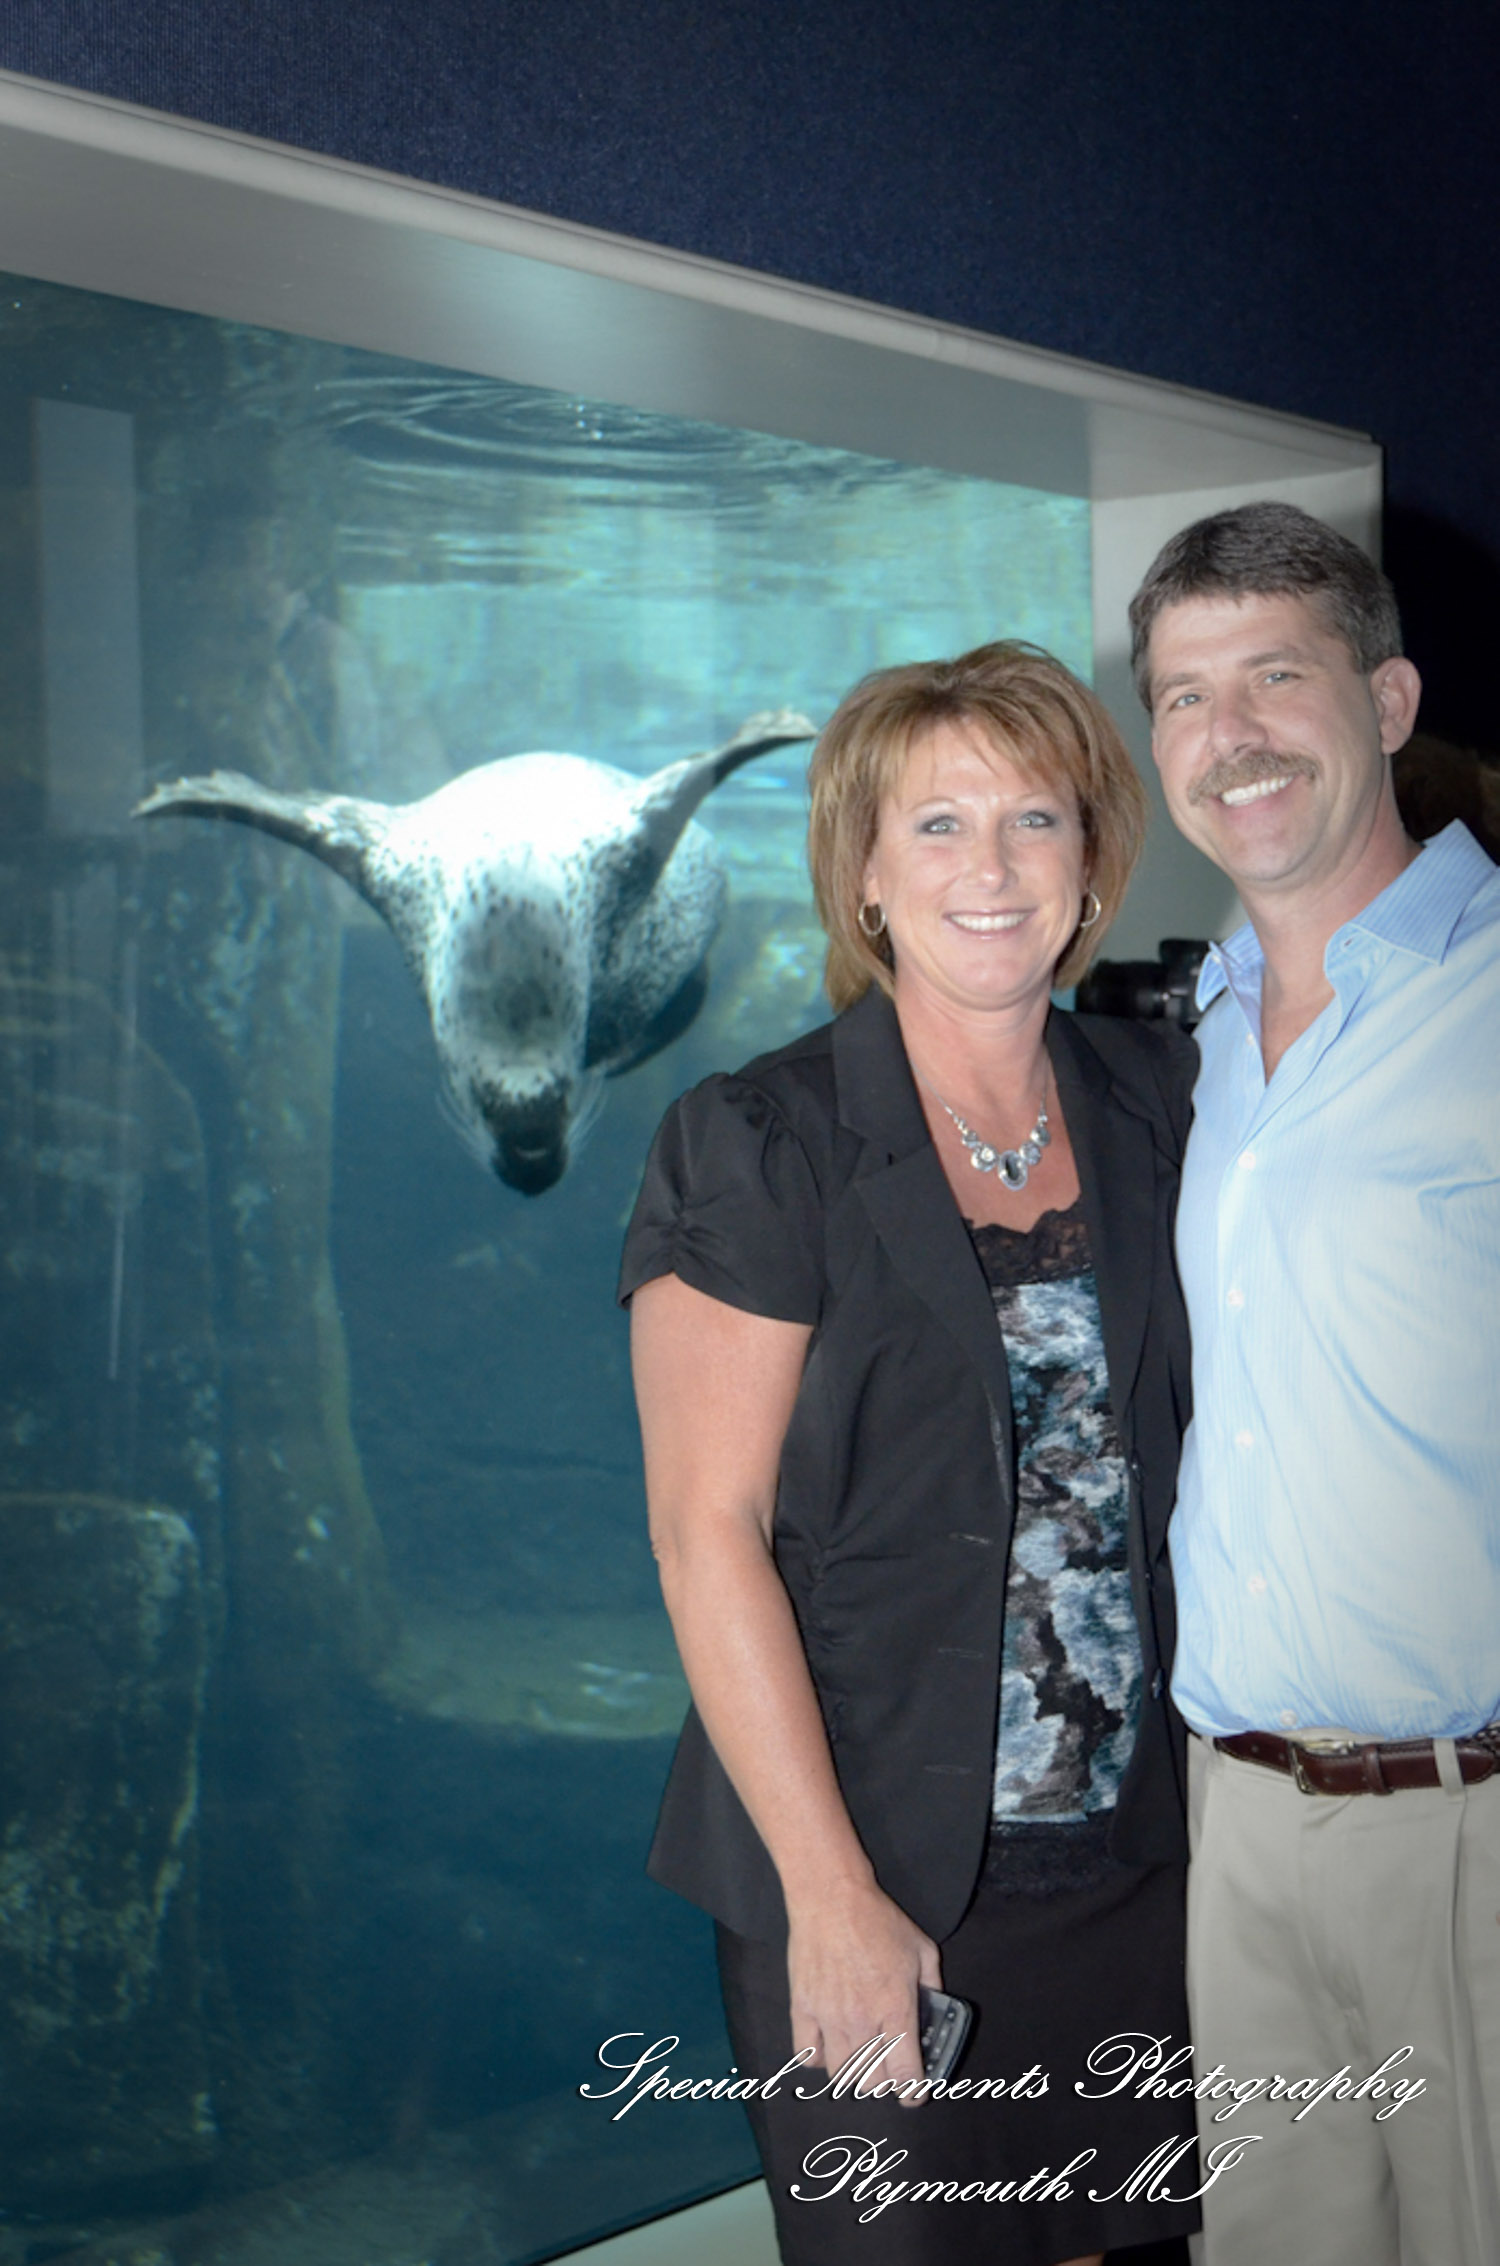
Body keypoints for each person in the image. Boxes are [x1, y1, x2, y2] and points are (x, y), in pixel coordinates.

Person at [620, 643, 1203, 2265]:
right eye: (937, 824)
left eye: (1034, 817)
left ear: (1093, 855)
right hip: (876, 1873)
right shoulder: (762, 1140)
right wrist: (828, 1893)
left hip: (1142, 1868)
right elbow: (705, 1532)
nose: (991, 868)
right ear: (864, 874)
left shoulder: (1167, 1098)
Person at [1128, 501, 1500, 2266]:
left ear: (1390, 699)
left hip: (1470, 1830)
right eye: (1184, 696)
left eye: (1276, 675)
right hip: (1241, 1822)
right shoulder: (1198, 1037)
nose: (1232, 734)